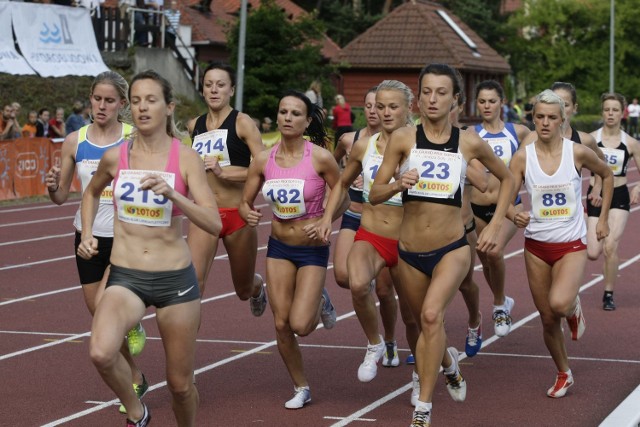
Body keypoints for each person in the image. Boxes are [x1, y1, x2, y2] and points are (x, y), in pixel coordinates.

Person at [369, 63, 514, 427]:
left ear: (455, 100)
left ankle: (423, 406)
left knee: (433, 316)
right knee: (420, 322)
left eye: (442, 93)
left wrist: (496, 223)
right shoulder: (403, 138)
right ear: (417, 99)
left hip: (452, 248)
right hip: (410, 251)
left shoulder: (468, 141)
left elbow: (508, 178)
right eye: (427, 92)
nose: (433, 99)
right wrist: (398, 184)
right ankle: (448, 362)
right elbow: (374, 193)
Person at [78, 70, 220, 426]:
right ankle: (138, 412)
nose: (142, 108)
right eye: (137, 100)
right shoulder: (116, 157)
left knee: (180, 385)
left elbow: (213, 223)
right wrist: (87, 234)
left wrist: (173, 194)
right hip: (126, 276)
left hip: (175, 281)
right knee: (100, 351)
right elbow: (92, 192)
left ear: (169, 107)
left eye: (151, 100)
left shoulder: (185, 159)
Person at [44, 71, 148, 416]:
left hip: (126, 234)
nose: (101, 106)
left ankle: (132, 321)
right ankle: (135, 375)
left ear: (122, 104)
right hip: (87, 236)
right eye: (96, 99)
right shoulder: (75, 140)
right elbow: (61, 196)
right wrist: (51, 187)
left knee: (107, 307)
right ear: (90, 99)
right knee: (101, 317)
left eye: (109, 100)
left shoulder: (134, 137)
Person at [239, 90, 342, 409]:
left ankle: (320, 298)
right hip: (279, 247)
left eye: (295, 113)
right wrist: (248, 212)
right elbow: (244, 201)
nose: (287, 117)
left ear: (307, 120)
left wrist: (326, 219)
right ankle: (301, 386)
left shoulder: (320, 157)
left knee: (301, 325)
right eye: (283, 111)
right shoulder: (262, 159)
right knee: (281, 324)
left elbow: (342, 191)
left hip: (312, 249)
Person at [510, 89, 613, 399]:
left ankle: (573, 307)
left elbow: (606, 175)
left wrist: (603, 217)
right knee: (546, 317)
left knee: (558, 304)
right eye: (539, 116)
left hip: (570, 243)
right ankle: (563, 372)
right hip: (536, 246)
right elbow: (507, 191)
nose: (544, 122)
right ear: (532, 119)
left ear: (562, 119)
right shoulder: (522, 156)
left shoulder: (576, 152)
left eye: (551, 117)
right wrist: (513, 213)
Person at [315, 80, 420, 385]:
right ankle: (375, 343)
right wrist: (325, 219)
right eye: (380, 106)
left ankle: (418, 377)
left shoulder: (422, 144)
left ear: (408, 108)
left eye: (393, 107)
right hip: (371, 232)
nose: (385, 113)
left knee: (413, 318)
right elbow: (342, 183)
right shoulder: (363, 145)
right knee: (357, 283)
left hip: (408, 240)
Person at [331, 86, 407, 368]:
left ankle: (389, 340)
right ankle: (375, 339)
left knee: (387, 292)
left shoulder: (409, 143)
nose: (378, 111)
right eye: (372, 106)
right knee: (345, 276)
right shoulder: (354, 141)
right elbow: (336, 167)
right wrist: (327, 216)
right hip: (358, 214)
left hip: (398, 224)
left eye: (385, 106)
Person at [187, 62, 267, 315]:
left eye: (220, 85)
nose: (214, 90)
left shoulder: (243, 123)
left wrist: (225, 172)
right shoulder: (194, 126)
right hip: (205, 213)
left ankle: (257, 288)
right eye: (209, 85)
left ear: (231, 90)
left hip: (237, 214)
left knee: (243, 290)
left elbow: (265, 168)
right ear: (202, 90)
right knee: (192, 287)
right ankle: (185, 350)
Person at [471, 80, 530, 338]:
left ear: (502, 103)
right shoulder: (470, 134)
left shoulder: (519, 132)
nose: (486, 106)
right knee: (485, 259)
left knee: (494, 252)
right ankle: (503, 298)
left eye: (492, 101)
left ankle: (498, 306)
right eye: (482, 101)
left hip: (507, 207)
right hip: (476, 207)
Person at [587, 93, 640, 310]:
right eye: (607, 109)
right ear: (602, 112)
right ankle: (585, 218)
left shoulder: (631, 143)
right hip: (595, 197)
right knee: (592, 252)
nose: (610, 114)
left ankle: (608, 293)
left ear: (622, 113)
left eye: (615, 110)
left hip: (618, 196)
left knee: (610, 246)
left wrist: (638, 186)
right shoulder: (591, 139)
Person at [450, 89, 489, 359]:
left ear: (459, 107)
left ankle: (474, 320)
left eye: (451, 104)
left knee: (465, 284)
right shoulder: (415, 136)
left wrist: (453, 155)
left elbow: (482, 181)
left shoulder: (468, 140)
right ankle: (427, 340)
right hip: (425, 231)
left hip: (462, 228)